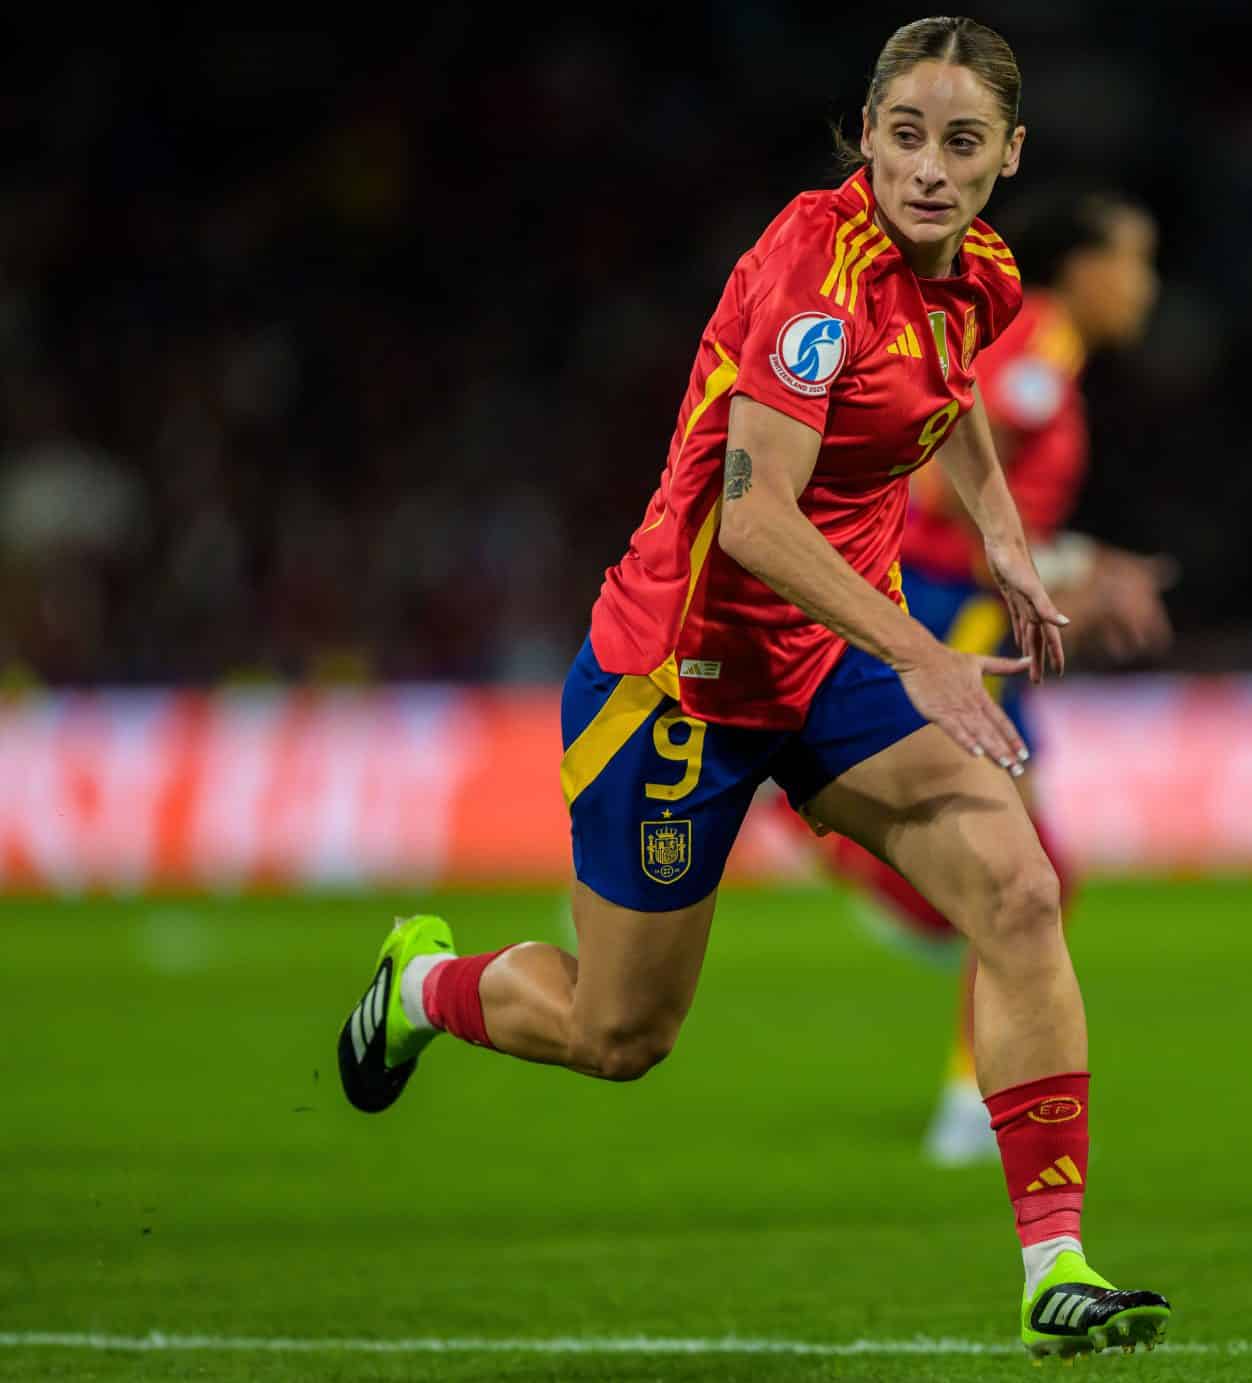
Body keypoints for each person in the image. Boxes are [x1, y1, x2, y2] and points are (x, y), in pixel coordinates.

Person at [332, 15, 1171, 1360]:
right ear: (869, 135)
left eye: (962, 142)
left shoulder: (985, 279)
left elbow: (943, 412)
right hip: (679, 676)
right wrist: (919, 645)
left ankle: (1053, 1261)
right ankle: (426, 983)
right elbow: (756, 514)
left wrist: (1007, 546)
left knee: (1021, 886)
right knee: (621, 1032)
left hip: (828, 660)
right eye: (905, 136)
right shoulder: (816, 269)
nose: (930, 169)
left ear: (1009, 156)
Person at [816, 185, 1174, 1166]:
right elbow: (941, 494)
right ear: (1085, 269)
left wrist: (1076, 564)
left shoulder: (1032, 350)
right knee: (1030, 877)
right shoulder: (1039, 356)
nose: (1142, 287)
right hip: (947, 616)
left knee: (1031, 877)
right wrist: (1062, 575)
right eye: (1134, 262)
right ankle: (970, 1104)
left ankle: (970, 1097)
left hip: (947, 607)